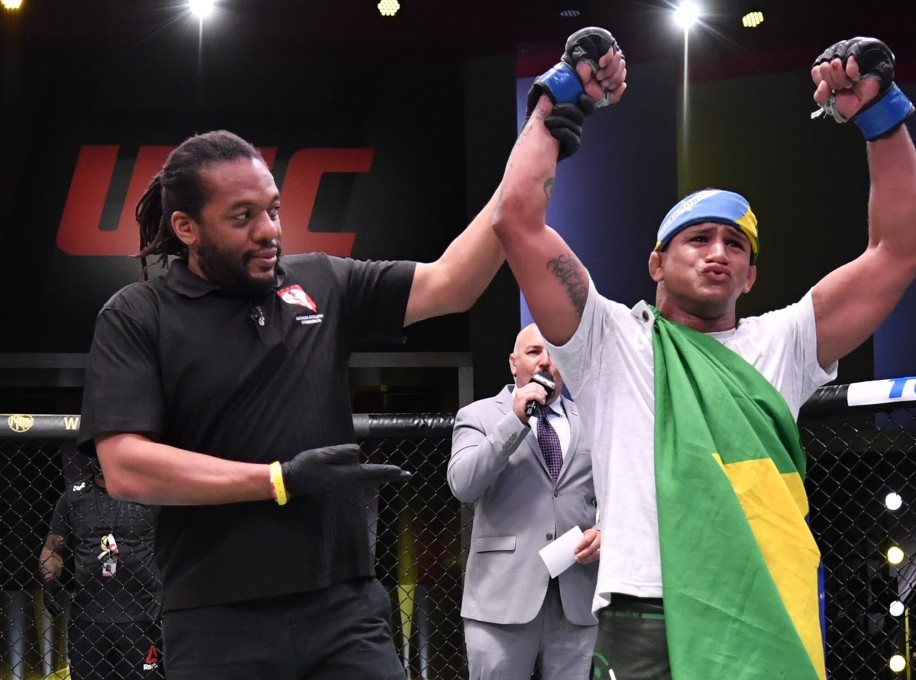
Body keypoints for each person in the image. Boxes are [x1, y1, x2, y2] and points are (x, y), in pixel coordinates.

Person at [76, 35, 626, 680]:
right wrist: (276, 480)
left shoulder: (319, 281)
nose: (269, 230)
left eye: (274, 209)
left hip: (345, 605)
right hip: (215, 615)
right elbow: (126, 467)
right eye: (242, 216)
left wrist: (543, 124)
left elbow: (455, 280)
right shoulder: (138, 315)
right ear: (187, 229)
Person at [492, 35, 916, 679]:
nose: (718, 252)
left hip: (758, 613)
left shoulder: (781, 342)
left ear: (751, 276)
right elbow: (517, 223)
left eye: (735, 244)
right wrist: (557, 99)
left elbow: (903, 248)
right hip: (644, 615)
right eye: (697, 238)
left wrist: (881, 113)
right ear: (656, 264)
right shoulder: (610, 341)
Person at [448, 323, 600, 680]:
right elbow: (463, 484)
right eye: (534, 352)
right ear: (514, 364)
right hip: (502, 598)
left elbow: (616, 490)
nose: (546, 361)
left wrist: (605, 529)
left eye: (556, 353)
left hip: (576, 596)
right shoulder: (480, 416)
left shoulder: (591, 419)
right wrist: (516, 419)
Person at [39, 459, 163, 680]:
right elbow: (52, 549)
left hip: (142, 616)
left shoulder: (150, 494)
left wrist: (167, 592)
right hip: (88, 618)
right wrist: (49, 579)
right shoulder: (74, 497)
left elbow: (176, 545)